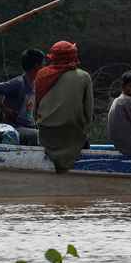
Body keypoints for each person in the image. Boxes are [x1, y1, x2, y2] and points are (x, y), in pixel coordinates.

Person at [34, 41, 94, 172]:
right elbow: (89, 113)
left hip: (46, 134)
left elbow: (35, 109)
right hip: (73, 134)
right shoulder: (84, 76)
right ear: (73, 56)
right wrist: (85, 130)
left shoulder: (41, 74)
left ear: (53, 57)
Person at [0, 48, 46, 144]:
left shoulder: (35, 84)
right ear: (37, 66)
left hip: (29, 126)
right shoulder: (18, 83)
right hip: (15, 128)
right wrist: (4, 108)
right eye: (43, 64)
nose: (45, 66)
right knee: (40, 136)